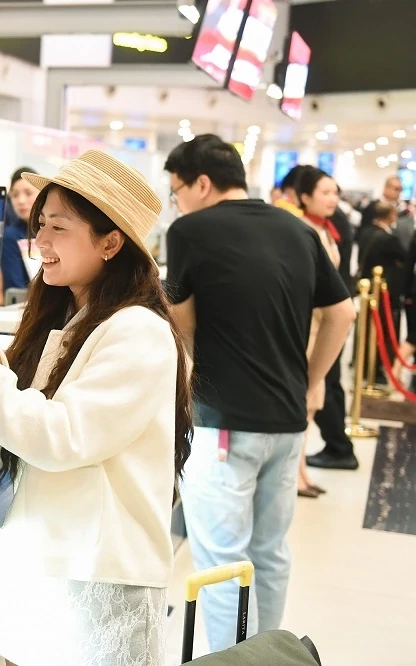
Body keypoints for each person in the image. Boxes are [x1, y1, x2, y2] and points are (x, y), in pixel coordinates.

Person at [0, 151, 193, 665]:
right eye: (40, 224)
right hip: (60, 572)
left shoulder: (138, 332)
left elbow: (56, 439)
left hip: (99, 584)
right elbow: (25, 436)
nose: (39, 241)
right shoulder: (84, 320)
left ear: (111, 243)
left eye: (59, 228)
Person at [164, 134, 355, 652]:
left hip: (221, 420)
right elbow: (343, 312)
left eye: (176, 188)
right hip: (287, 423)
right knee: (269, 554)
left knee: (223, 561)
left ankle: (234, 664)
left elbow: (180, 324)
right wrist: (313, 382)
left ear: (201, 183)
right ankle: (270, 658)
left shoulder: (188, 232)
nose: (175, 200)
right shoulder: (299, 230)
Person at [295, 167, 359, 475]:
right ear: (305, 197)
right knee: (308, 393)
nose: (332, 199)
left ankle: (300, 468)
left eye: (335, 192)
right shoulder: (300, 228)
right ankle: (297, 470)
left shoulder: (327, 229)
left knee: (315, 395)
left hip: (325, 323)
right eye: (325, 192)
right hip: (309, 323)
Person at [359, 201, 406, 389]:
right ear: (390, 216)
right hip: (383, 293)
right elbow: (403, 258)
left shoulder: (365, 233)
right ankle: (375, 369)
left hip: (368, 288)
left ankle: (364, 365)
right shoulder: (389, 239)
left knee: (367, 329)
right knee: (382, 331)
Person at [0, 167, 41, 306]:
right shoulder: (10, 237)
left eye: (28, 193)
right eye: (15, 195)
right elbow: (16, 291)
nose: (21, 201)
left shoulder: (51, 233)